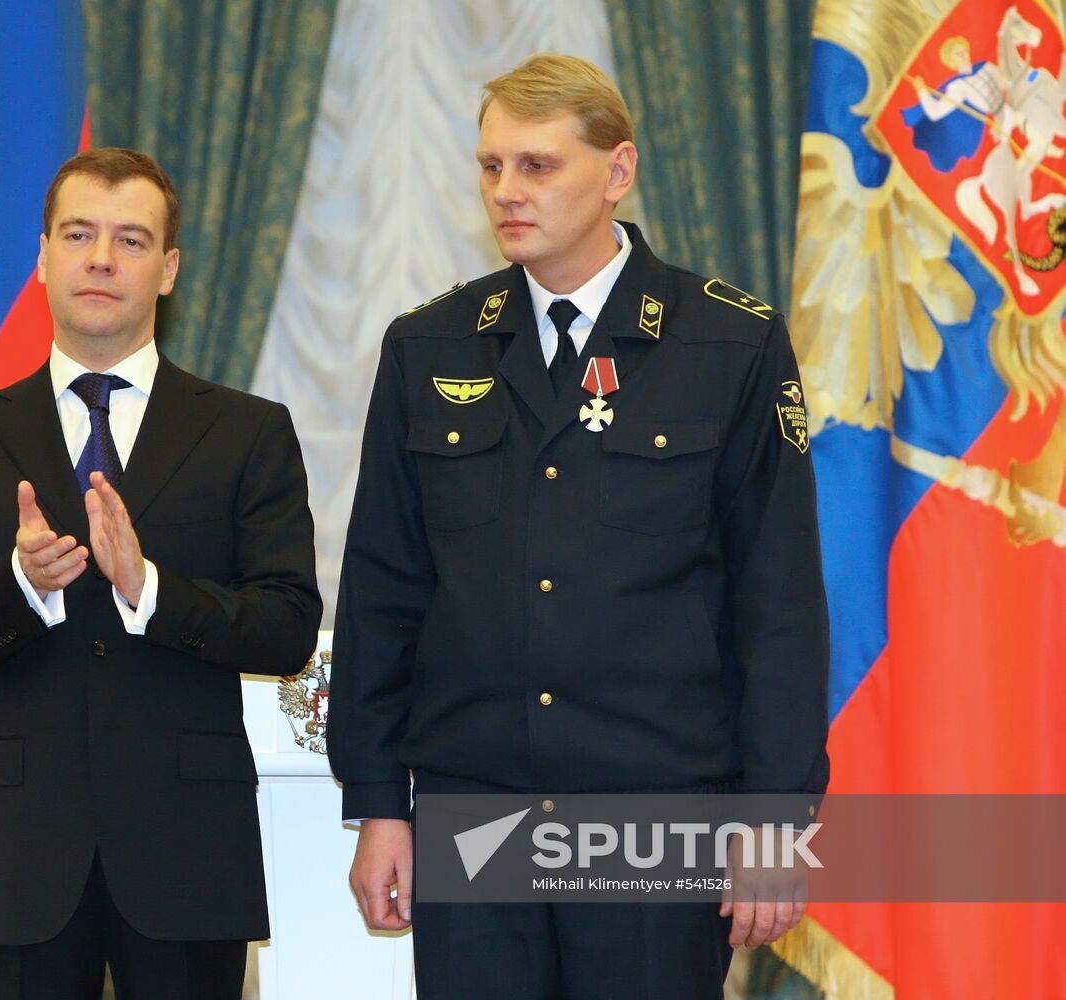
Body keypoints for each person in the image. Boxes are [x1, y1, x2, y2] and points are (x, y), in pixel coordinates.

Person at [327, 54, 828, 999]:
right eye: (490, 167)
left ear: (618, 170)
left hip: (655, 800)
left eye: (536, 166)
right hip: (474, 801)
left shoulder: (729, 343)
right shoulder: (428, 343)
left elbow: (779, 599)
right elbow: (385, 587)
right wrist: (378, 806)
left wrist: (774, 813)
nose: (505, 193)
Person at [0, 147, 321, 1000]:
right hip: (25, 856)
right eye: (78, 234)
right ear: (42, 258)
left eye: (131, 240)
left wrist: (152, 591)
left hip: (189, 851)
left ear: (167, 270)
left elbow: (285, 626)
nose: (100, 258)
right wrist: (21, 586)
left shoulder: (249, 432)